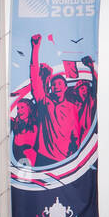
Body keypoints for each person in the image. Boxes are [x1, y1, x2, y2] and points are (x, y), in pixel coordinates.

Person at [27, 34, 83, 162]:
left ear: (65, 87)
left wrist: (73, 157)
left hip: (63, 161)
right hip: (42, 158)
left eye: (59, 84)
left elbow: (76, 135)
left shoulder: (72, 108)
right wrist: (35, 49)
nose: (56, 87)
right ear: (51, 88)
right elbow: (34, 78)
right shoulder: (46, 103)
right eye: (54, 85)